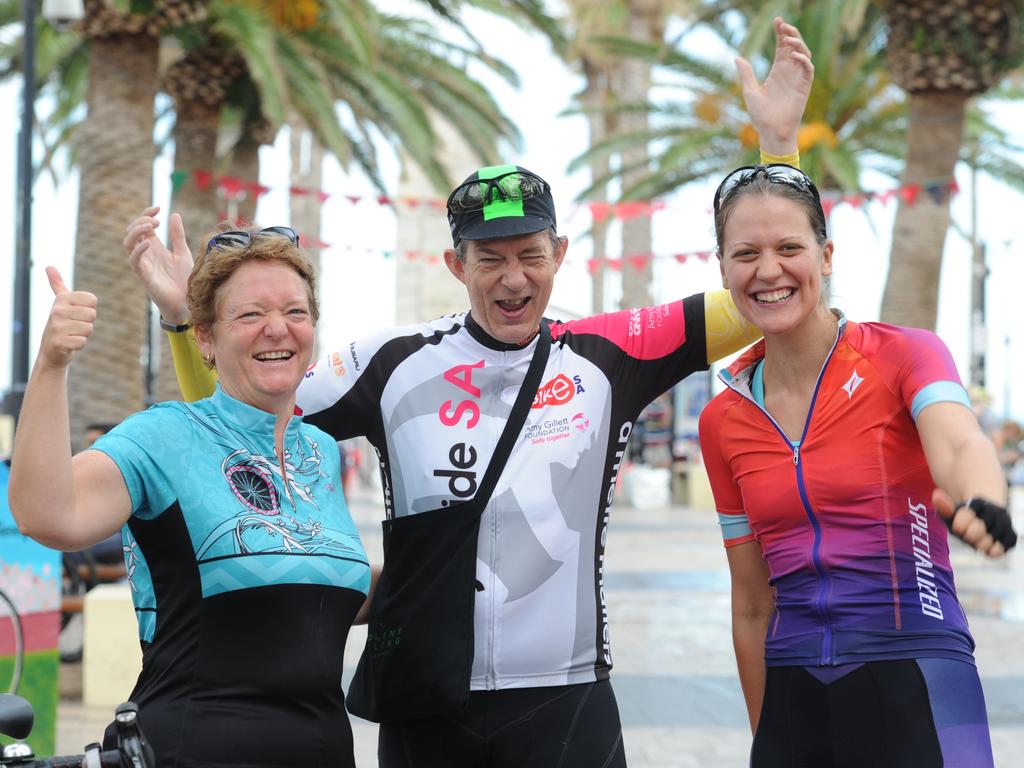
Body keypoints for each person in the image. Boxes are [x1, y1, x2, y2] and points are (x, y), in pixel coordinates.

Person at [126, 19, 813, 766]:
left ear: (561, 255)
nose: (513, 277)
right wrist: (181, 316)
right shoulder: (390, 363)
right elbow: (233, 418)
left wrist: (777, 151)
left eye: (530, 254)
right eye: (490, 258)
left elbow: (767, 288)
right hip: (429, 703)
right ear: (456, 263)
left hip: (568, 699)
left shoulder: (609, 351)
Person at [8, 229, 372, 768]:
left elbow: (318, 591)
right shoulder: (167, 436)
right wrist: (53, 364)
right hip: (190, 747)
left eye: (295, 310)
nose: (278, 328)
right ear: (205, 337)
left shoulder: (320, 450)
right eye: (250, 315)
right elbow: (47, 514)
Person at [697, 163, 1018, 768]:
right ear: (723, 269)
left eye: (789, 247)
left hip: (918, 666)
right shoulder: (722, 420)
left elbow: (959, 443)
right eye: (746, 253)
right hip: (793, 689)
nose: (768, 270)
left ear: (825, 255)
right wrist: (766, 739)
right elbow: (750, 603)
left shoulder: (902, 355)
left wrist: (982, 499)